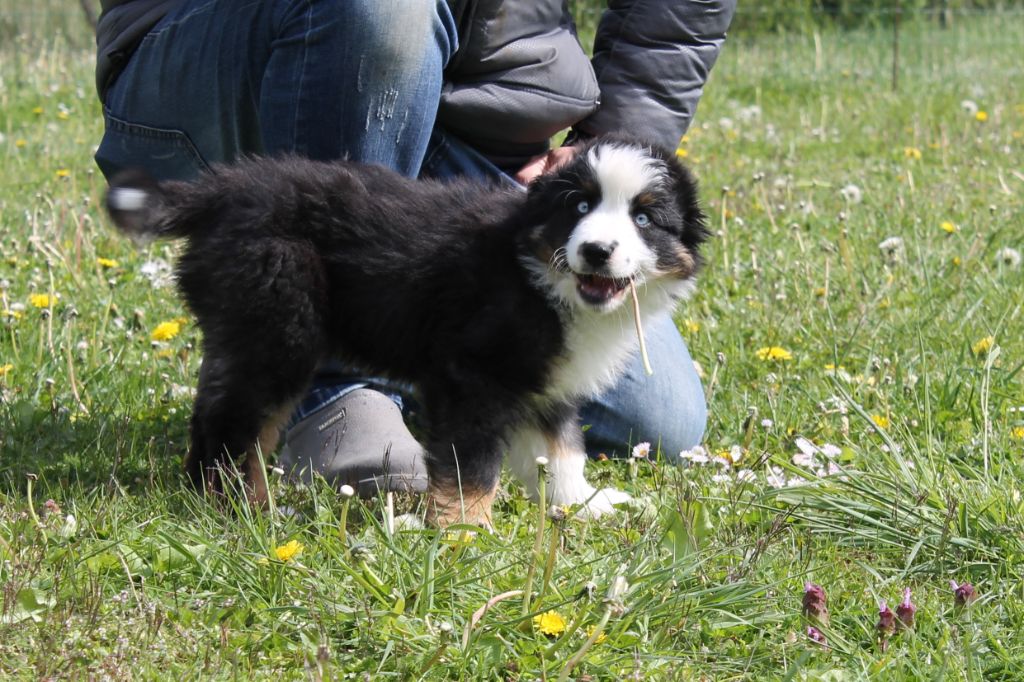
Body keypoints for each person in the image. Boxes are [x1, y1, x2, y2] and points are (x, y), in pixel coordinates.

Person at [93, 0, 737, 496]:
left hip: (490, 110)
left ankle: (348, 389)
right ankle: (334, 394)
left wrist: (614, 142)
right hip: (245, 42)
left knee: (660, 424)